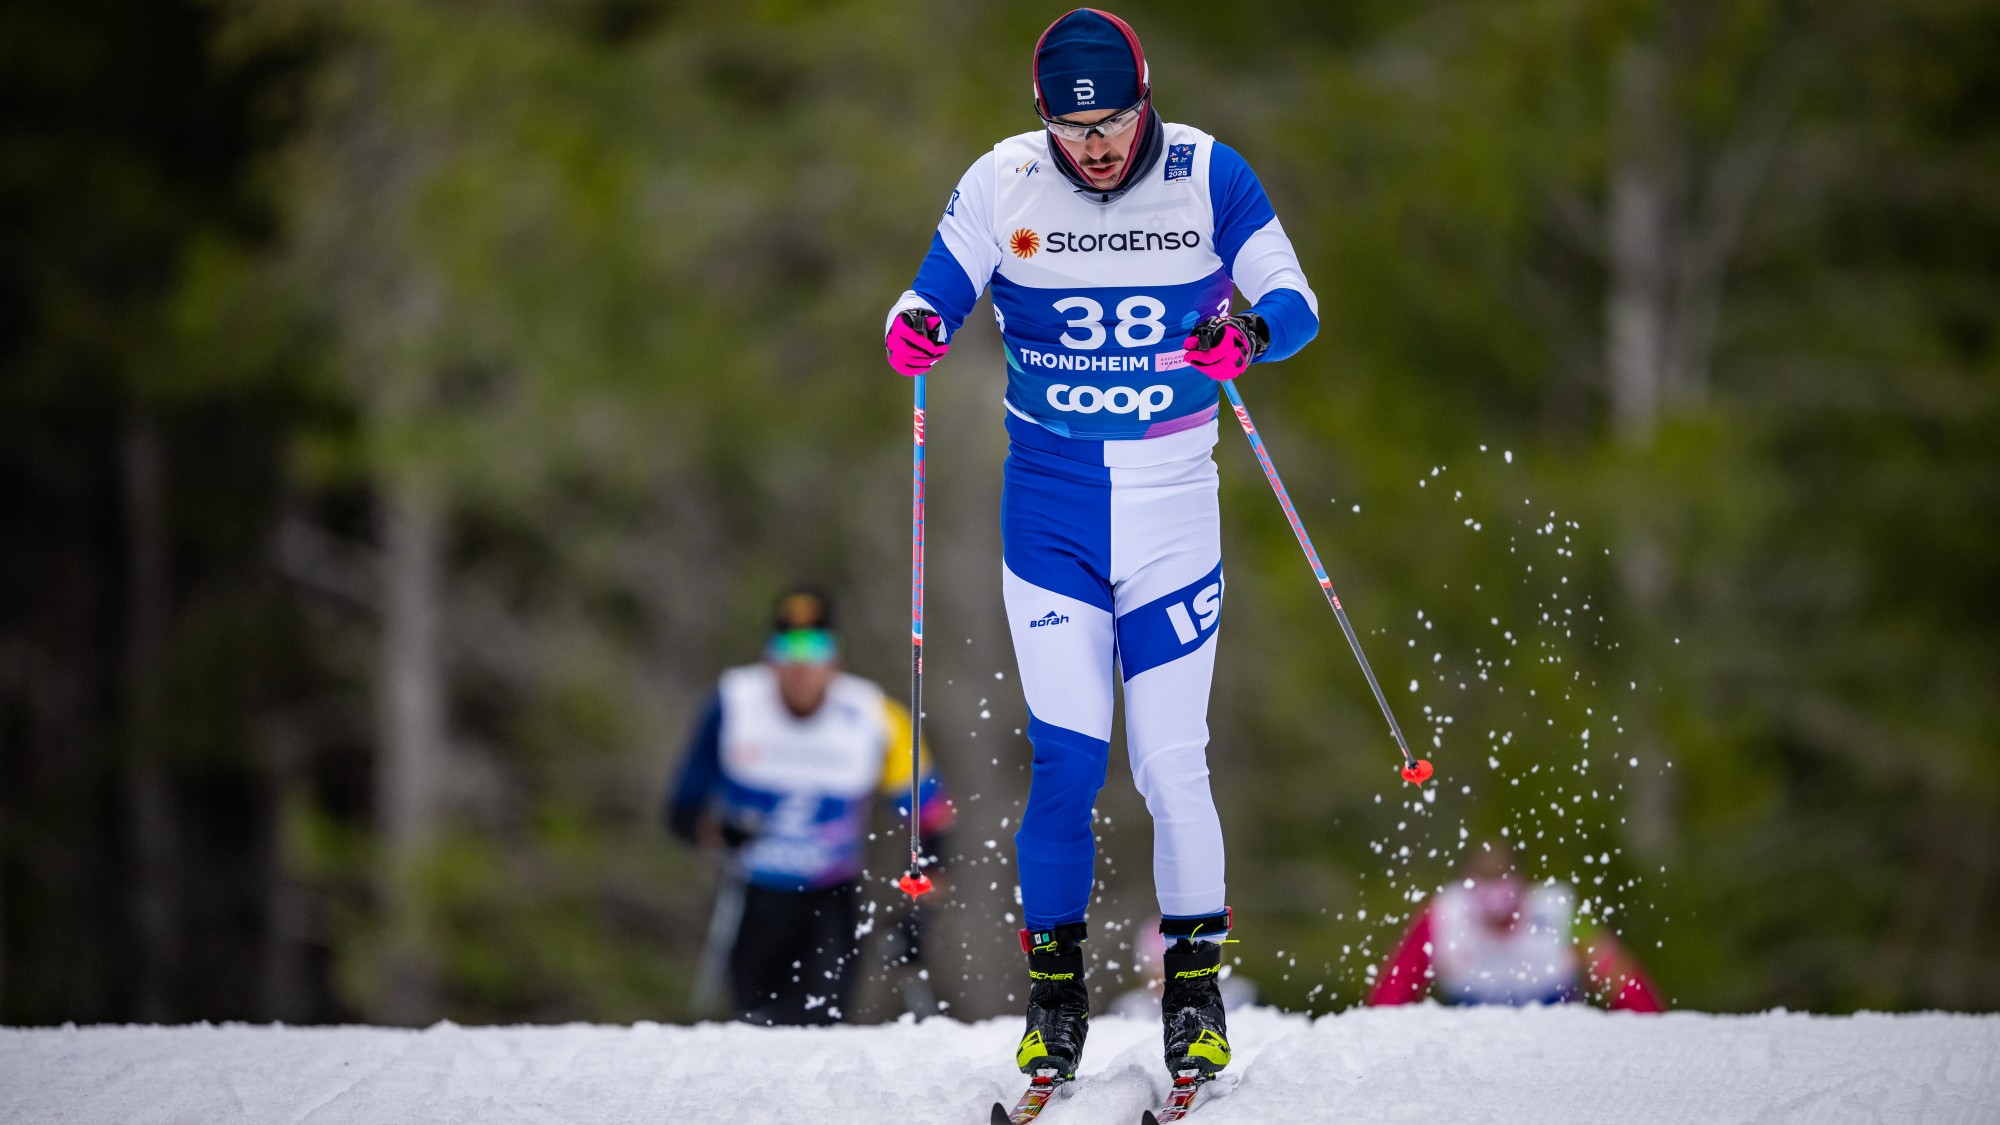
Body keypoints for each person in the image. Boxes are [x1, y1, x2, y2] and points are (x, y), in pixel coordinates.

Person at [881, 8, 1319, 1086]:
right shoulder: (1002, 180)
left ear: (1144, 93)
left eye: (1113, 120)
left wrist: (1248, 336)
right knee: (1066, 768)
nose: (1096, 145)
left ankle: (1194, 998)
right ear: (1042, 117)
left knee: (1172, 764)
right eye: (1073, 129)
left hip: (1171, 510)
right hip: (1051, 515)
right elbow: (927, 291)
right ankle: (1056, 1005)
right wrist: (915, 326)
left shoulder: (1211, 173)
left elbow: (1295, 302)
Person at [664, 589, 952, 1025]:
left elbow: (930, 820)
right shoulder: (732, 704)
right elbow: (682, 811)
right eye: (787, 648)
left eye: (815, 648)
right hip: (753, 895)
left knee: (822, 1028)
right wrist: (720, 831)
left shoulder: (874, 715)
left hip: (830, 901)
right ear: (769, 658)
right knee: (752, 1027)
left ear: (834, 659)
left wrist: (919, 911)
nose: (801, 665)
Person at [1368, 843, 1664, 1011]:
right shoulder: (1444, 915)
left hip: (1555, 1041)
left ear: (1522, 881)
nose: (1494, 893)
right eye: (1484, 881)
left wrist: (1652, 1031)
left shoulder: (1558, 913)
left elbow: (1621, 979)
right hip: (1471, 1046)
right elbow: (1393, 991)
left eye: (1502, 878)